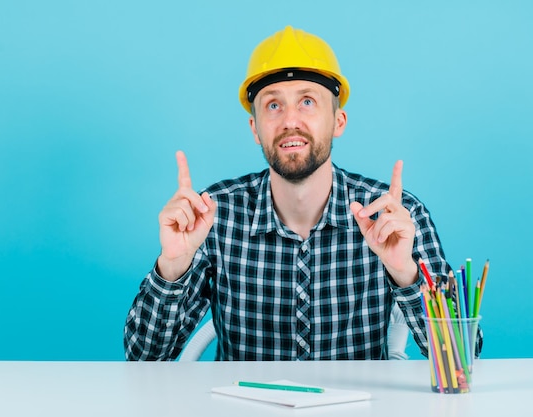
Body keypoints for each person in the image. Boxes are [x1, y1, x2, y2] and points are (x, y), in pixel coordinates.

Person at [124, 26, 475, 361]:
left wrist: (405, 273)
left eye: (308, 102)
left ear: (338, 121)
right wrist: (172, 268)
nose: (290, 120)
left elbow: (463, 356)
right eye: (273, 106)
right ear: (255, 129)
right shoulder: (210, 216)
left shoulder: (395, 215)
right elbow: (143, 359)